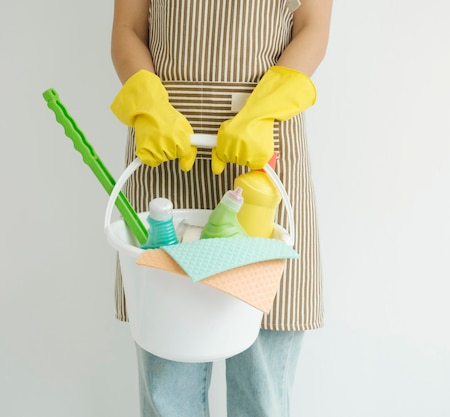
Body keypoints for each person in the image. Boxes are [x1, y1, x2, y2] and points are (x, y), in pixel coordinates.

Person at [109, 0, 332, 416]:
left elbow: (313, 27)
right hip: (165, 153)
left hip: (264, 157)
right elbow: (127, 28)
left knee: (262, 383)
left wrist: (264, 108)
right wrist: (149, 104)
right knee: (167, 388)